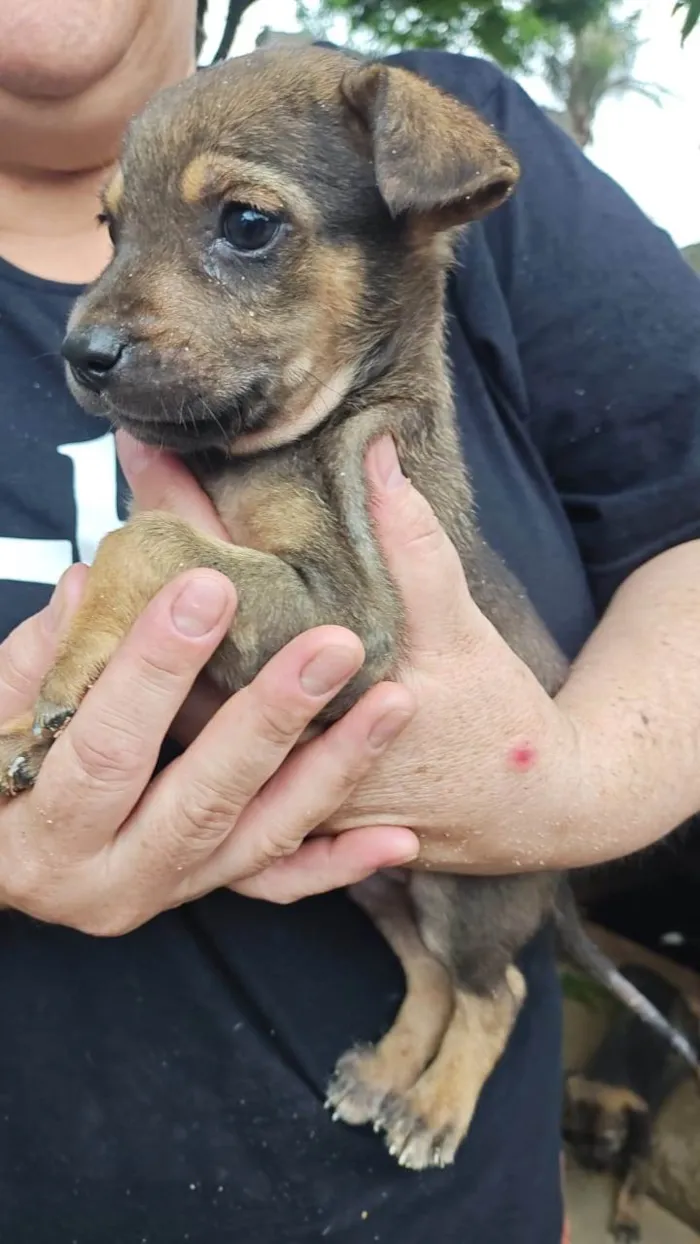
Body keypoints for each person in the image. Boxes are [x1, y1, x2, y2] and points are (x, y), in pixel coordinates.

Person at [1, 2, 699, 1241]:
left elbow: (347, 641)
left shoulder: (416, 138)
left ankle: (462, 1024)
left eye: (244, 227)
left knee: (450, 934)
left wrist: (568, 784)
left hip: (450, 1195)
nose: (97, 321)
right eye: (124, 235)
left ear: (413, 219)